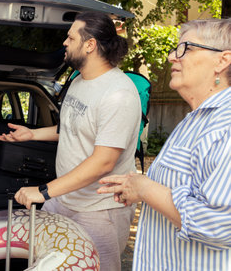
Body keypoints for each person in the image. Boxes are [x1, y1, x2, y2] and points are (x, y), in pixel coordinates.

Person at [0, 11, 141, 270]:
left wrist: (43, 191)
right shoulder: (78, 82)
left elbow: (103, 162)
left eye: (70, 37)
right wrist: (33, 134)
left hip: (98, 209)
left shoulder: (119, 94)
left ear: (90, 45)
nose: (65, 42)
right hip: (63, 199)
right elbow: (72, 127)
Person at [98, 19, 231, 270]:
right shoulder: (196, 119)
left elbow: (221, 224)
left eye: (185, 49)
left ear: (222, 61)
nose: (172, 57)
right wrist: (135, 188)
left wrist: (145, 189)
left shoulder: (226, 125)